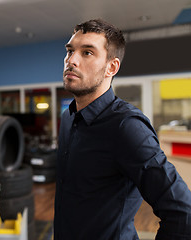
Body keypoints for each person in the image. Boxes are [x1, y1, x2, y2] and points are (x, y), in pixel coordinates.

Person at [54, 19, 191, 240]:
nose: (72, 60)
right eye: (70, 51)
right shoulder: (68, 118)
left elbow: (183, 212)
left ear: (112, 67)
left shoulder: (126, 126)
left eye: (87, 53)